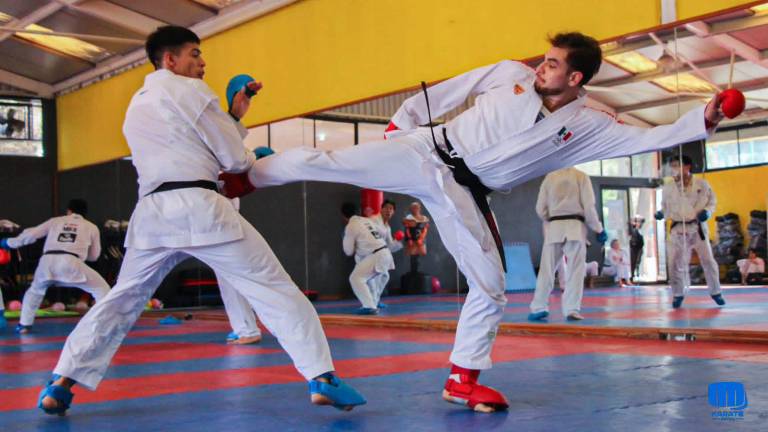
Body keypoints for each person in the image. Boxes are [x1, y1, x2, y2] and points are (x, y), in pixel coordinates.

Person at [224, 32, 727, 412]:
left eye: (552, 64)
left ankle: (462, 378)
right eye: (543, 58)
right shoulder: (510, 74)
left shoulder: (589, 124)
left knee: (491, 284)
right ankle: (245, 180)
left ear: (576, 79)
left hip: (464, 191)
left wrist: (703, 121)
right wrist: (403, 124)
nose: (540, 66)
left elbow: (643, 139)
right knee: (324, 163)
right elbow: (447, 91)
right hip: (426, 151)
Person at [37, 26, 364, 416]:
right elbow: (234, 159)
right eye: (194, 54)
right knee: (275, 288)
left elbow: (189, 145)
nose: (202, 61)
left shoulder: (137, 104)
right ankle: (321, 377)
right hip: (200, 209)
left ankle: (62, 380)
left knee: (121, 300)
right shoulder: (190, 90)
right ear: (170, 60)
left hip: (153, 216)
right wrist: (243, 142)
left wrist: (234, 116)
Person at [0, 199, 110, 334]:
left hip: (47, 261)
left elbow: (32, 234)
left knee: (34, 291)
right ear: (85, 213)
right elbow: (94, 256)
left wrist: (8, 243)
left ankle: (24, 325)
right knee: (102, 289)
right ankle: (104, 323)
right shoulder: (91, 226)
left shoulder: (55, 221)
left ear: (69, 210)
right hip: (72, 262)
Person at [529, 167, 606, 321]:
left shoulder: (550, 177)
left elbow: (540, 208)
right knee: (575, 270)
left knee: (547, 270)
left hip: (554, 227)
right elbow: (589, 207)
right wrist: (598, 229)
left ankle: (538, 307)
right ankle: (571, 309)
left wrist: (551, 217)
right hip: (575, 227)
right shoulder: (581, 176)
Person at [655, 155, 724, 308]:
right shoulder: (668, 188)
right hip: (678, 228)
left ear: (687, 167)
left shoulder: (702, 184)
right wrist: (661, 213)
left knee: (708, 260)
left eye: (677, 165)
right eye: (672, 166)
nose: (674, 169)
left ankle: (716, 291)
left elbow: (712, 202)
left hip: (697, 227)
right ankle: (678, 294)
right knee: (674, 263)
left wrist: (707, 212)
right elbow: (666, 208)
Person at [341, 202, 395, 314]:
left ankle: (369, 306)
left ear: (343, 216)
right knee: (370, 279)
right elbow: (381, 233)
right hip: (385, 253)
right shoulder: (367, 220)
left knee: (356, 278)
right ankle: (373, 303)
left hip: (376, 255)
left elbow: (348, 251)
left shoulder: (351, 226)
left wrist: (347, 239)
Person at [370, 199, 403, 308]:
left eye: (391, 209)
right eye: (387, 208)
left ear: (393, 212)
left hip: (381, 255)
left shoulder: (387, 227)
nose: (388, 211)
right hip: (371, 253)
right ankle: (372, 303)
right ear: (381, 208)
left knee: (383, 277)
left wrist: (397, 240)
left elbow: (390, 245)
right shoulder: (373, 220)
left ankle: (375, 300)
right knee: (375, 279)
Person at [403, 201, 430, 272]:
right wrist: (409, 239)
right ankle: (413, 270)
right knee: (412, 255)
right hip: (411, 240)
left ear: (419, 208)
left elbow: (425, 229)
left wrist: (421, 239)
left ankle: (418, 270)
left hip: (421, 241)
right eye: (413, 208)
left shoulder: (424, 218)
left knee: (420, 255)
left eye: (416, 207)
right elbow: (407, 229)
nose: (415, 209)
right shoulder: (408, 218)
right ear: (411, 209)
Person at [628, 216, 645, 281]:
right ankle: (633, 275)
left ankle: (637, 274)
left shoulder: (640, 230)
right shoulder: (634, 230)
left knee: (638, 261)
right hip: (634, 248)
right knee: (634, 261)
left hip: (639, 247)